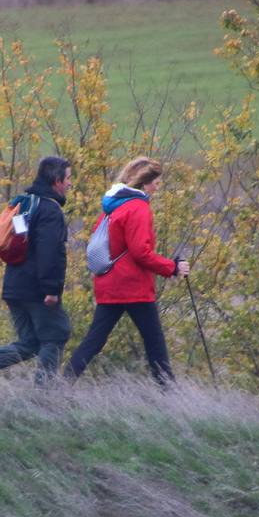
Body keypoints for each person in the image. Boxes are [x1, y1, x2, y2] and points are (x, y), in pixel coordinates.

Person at [66, 157, 190, 385]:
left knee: (94, 341)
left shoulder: (111, 207)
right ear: (144, 184)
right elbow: (140, 252)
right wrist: (172, 267)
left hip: (108, 283)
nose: (157, 187)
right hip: (133, 287)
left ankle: (61, 384)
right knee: (155, 344)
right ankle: (170, 394)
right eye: (155, 182)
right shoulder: (138, 208)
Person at [0, 156, 73, 385]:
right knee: (56, 334)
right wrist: (51, 289)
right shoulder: (49, 210)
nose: (69, 184)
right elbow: (50, 252)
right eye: (67, 178)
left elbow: (19, 245)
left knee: (30, 343)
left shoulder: (25, 204)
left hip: (14, 286)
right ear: (56, 180)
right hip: (37, 290)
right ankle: (43, 397)